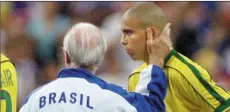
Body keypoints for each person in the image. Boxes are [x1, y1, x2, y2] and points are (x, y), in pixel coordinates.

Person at [19, 22, 171, 112]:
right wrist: (155, 63)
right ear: (99, 59)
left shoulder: (34, 99)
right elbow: (151, 108)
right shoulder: (113, 97)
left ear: (66, 56)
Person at [120, 3, 230, 112]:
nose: (123, 41)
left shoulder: (184, 72)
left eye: (129, 33)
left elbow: (225, 107)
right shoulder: (135, 76)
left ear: (151, 33)